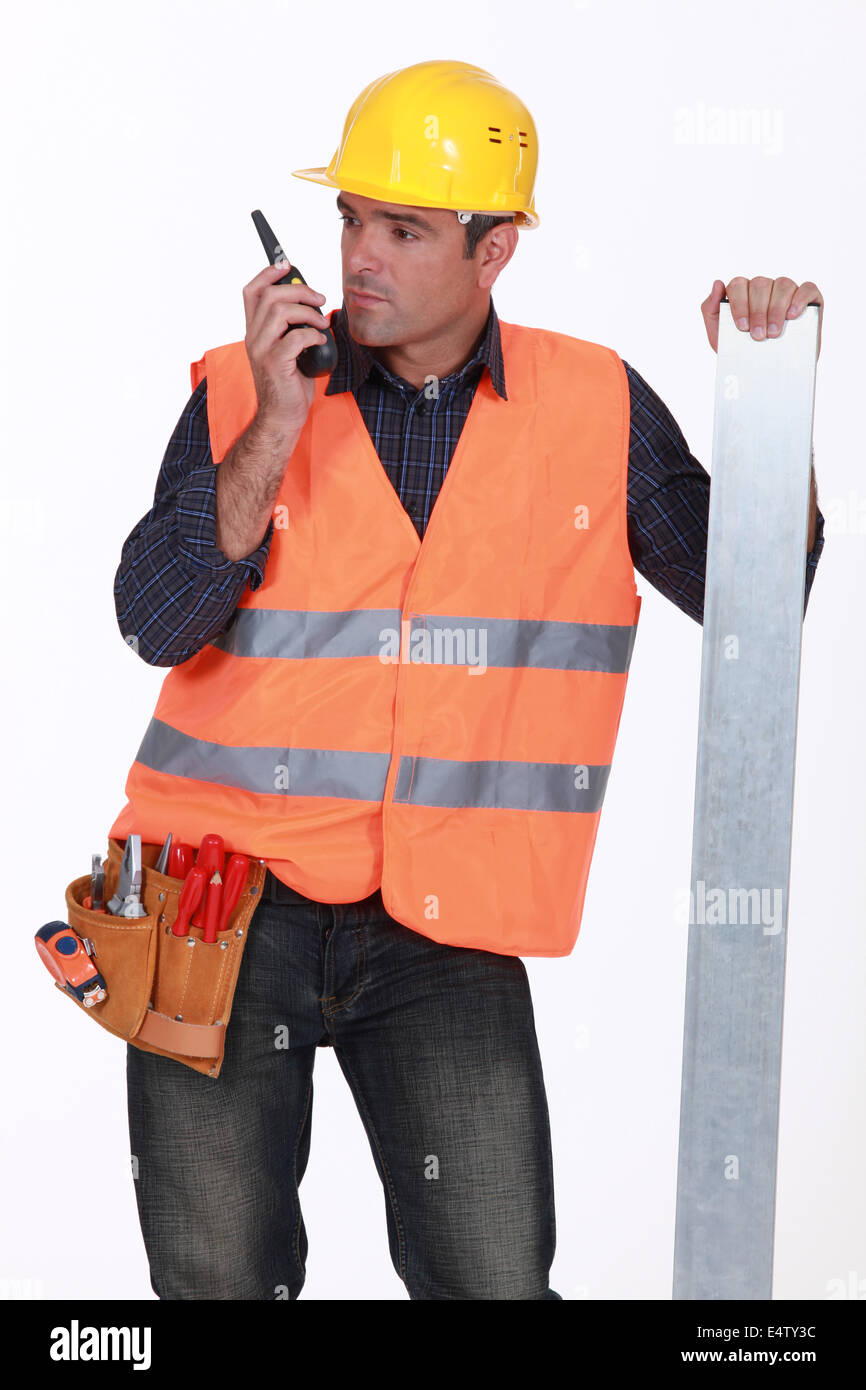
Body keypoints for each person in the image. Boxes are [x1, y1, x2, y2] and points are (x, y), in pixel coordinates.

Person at [110, 60, 825, 1300]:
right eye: (346, 220)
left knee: (492, 1281)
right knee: (216, 1282)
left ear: (493, 254)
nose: (358, 258)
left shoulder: (591, 404)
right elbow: (153, 618)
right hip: (222, 909)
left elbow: (752, 603)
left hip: (443, 919)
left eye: (403, 229)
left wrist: (765, 399)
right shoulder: (245, 390)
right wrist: (273, 427)